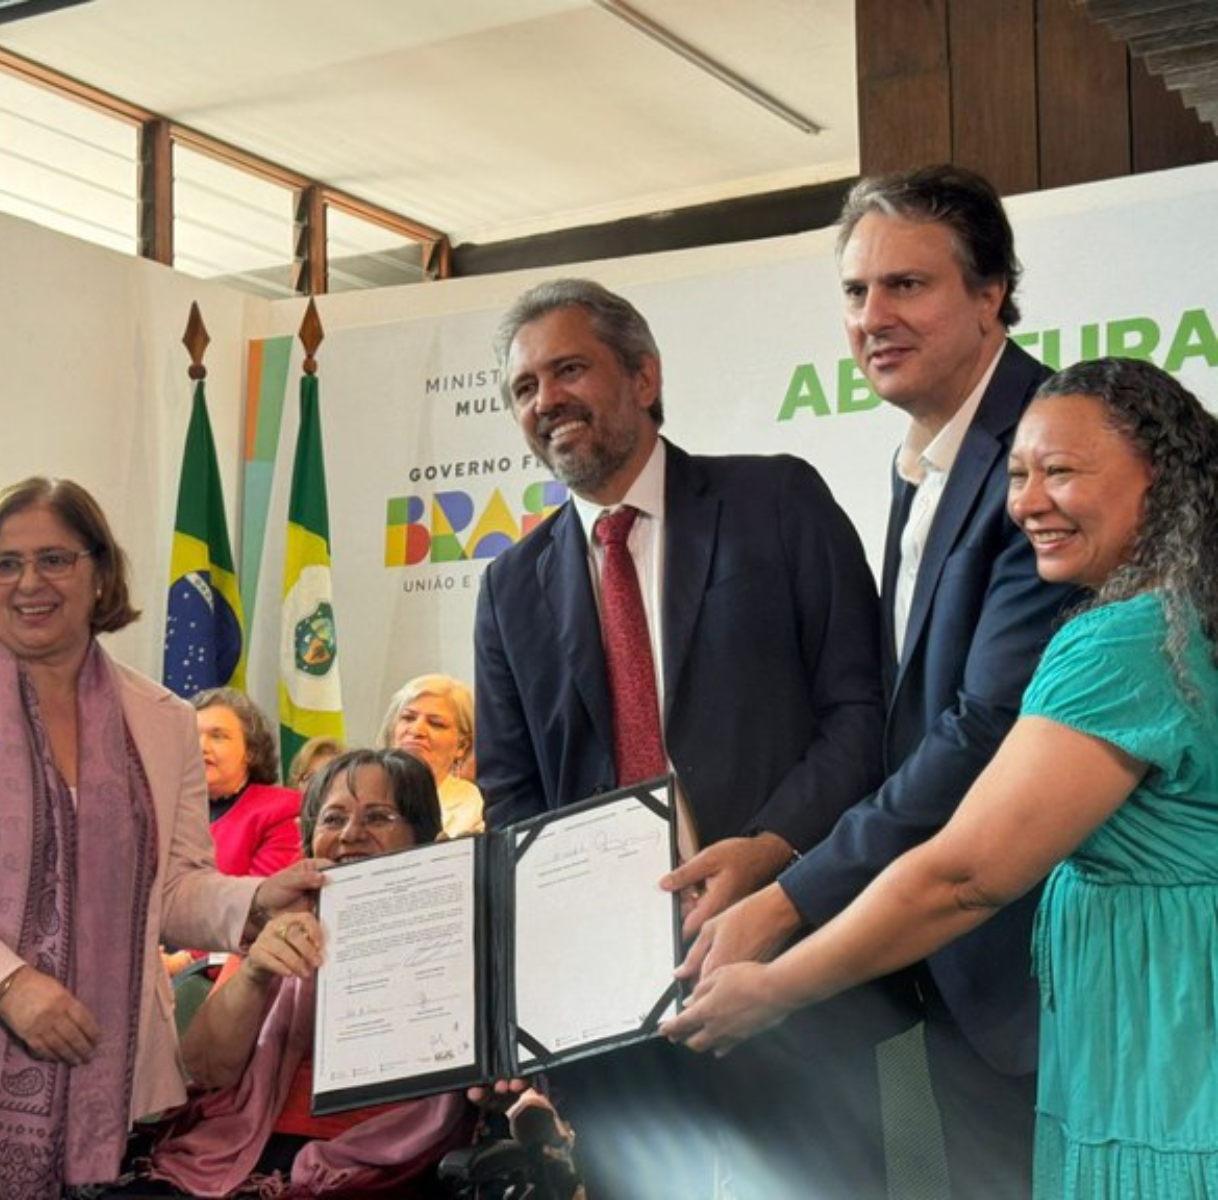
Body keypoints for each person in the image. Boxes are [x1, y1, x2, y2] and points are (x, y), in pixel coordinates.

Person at [670, 356, 1218, 1197]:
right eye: (1020, 473)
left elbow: (962, 878)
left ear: (1163, 477)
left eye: (1061, 472)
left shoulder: (1124, 645)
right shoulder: (1187, 623)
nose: (1027, 503)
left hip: (1162, 1069)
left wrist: (777, 985)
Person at [685, 164, 1077, 1198]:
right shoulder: (927, 453)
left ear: (991, 292)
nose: (872, 318)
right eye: (855, 292)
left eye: (907, 285)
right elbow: (898, 720)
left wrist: (785, 901)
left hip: (1043, 968)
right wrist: (776, 847)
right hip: (950, 969)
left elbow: (981, 730)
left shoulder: (1042, 445)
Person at [473, 278, 890, 1197]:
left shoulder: (776, 500)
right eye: (524, 388)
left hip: (791, 962)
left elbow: (862, 714)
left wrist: (771, 853)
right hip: (614, 1020)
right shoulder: (509, 587)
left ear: (645, 376)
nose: (547, 401)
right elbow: (512, 802)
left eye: (569, 369)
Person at [0, 477, 324, 1200]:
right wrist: (8, 988)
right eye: (5, 564)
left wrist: (257, 899)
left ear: (99, 571)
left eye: (55, 559)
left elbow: (172, 888)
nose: (29, 582)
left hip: (99, 1064)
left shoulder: (163, 718)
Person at [134, 748, 478, 1197]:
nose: (351, 835)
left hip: (391, 1157)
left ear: (424, 839)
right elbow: (205, 1069)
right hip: (245, 1143)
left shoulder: (460, 938)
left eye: (379, 818)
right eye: (333, 820)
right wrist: (256, 971)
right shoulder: (278, 920)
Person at [194, 686, 303, 876]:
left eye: (218, 736)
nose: (201, 746)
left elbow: (263, 896)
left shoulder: (283, 810)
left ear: (251, 752)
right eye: (192, 736)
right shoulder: (167, 810)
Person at [378, 673, 484, 837]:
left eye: (436, 724)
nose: (416, 730)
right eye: (408, 718)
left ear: (462, 746)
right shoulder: (361, 791)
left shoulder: (475, 811)